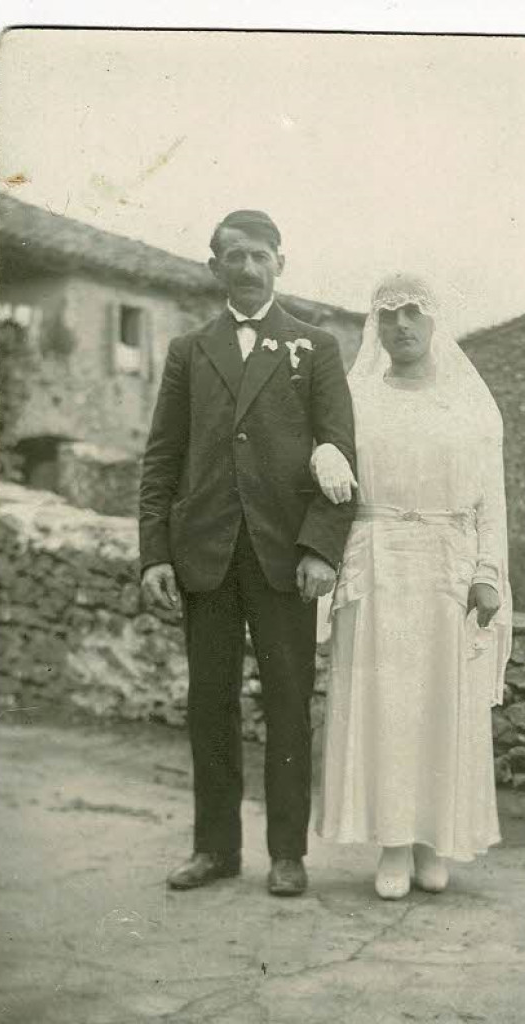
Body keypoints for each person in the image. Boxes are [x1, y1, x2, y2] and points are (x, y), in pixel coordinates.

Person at [139, 210, 357, 896]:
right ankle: (214, 848)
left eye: (259, 255)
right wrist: (154, 555)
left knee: (288, 702)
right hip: (204, 553)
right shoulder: (188, 351)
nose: (247, 267)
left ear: (280, 263)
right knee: (210, 702)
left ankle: (287, 853)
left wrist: (321, 546)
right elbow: (161, 459)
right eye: (233, 256)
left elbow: (341, 454)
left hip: (282, 557)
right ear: (214, 268)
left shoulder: (314, 346)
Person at [312, 272, 512, 900]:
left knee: (440, 705)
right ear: (375, 325)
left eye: (411, 314)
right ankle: (394, 842)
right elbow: (325, 455)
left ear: (433, 321)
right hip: (376, 565)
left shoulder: (468, 406)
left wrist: (486, 573)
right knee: (385, 705)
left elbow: (491, 504)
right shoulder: (357, 399)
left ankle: (434, 840)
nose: (400, 326)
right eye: (387, 315)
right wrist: (325, 454)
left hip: (446, 571)